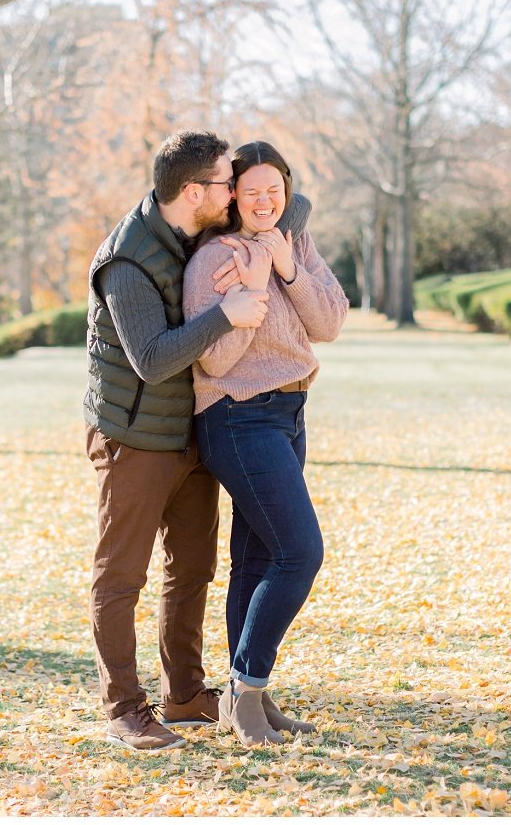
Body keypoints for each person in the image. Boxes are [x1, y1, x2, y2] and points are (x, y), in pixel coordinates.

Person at [82, 130, 310, 751]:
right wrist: (227, 314)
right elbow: (152, 360)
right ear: (193, 191)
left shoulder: (192, 232)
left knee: (193, 569)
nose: (236, 189)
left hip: (190, 432)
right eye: (225, 181)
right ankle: (124, 706)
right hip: (133, 435)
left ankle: (184, 692)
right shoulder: (127, 260)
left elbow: (293, 204)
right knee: (121, 574)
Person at [182, 140, 349, 747]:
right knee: (300, 552)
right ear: (232, 198)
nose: (263, 200)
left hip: (290, 414)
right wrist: (244, 300)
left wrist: (287, 270)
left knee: (256, 559)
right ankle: (246, 693)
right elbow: (216, 361)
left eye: (273, 188)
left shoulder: (294, 243)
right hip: (237, 418)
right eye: (250, 190)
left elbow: (329, 323)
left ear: (286, 189)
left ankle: (245, 697)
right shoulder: (211, 261)